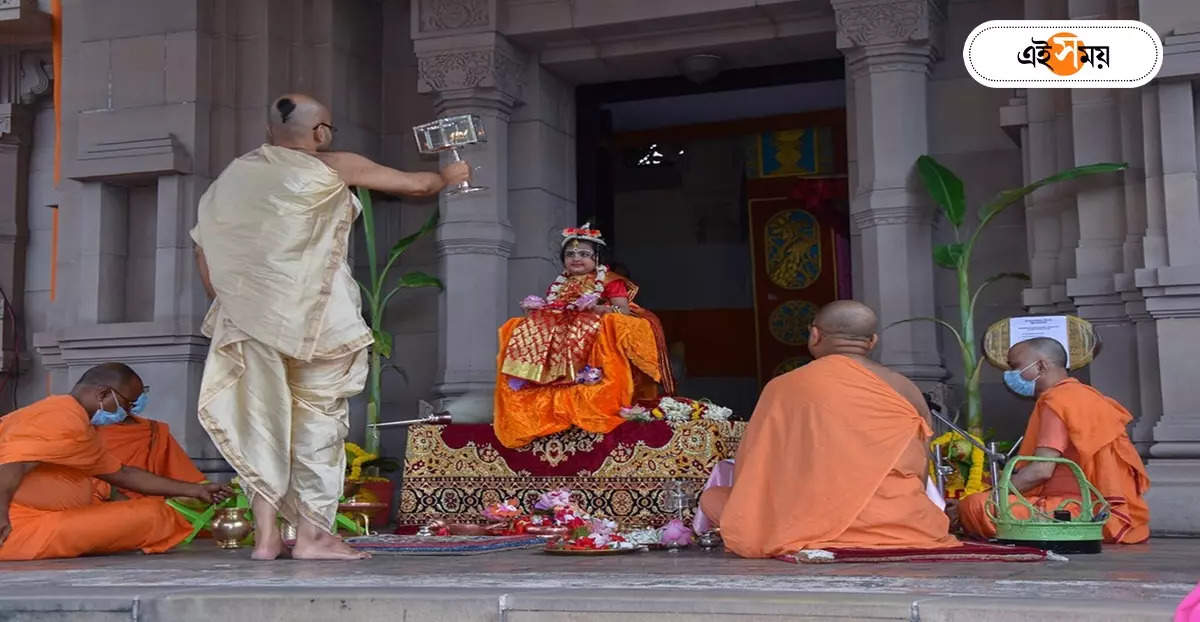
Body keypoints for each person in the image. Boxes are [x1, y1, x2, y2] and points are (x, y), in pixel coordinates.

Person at [191, 93, 470, 561]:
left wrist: (234, 305)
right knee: (317, 423)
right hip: (319, 320)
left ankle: (265, 539)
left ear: (268, 134)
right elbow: (417, 186)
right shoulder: (332, 166)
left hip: (248, 319)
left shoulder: (231, 180)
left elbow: (204, 250)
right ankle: (314, 536)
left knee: (264, 422)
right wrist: (450, 175)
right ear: (320, 132)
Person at [698, 300, 959, 558]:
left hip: (806, 523)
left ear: (814, 334)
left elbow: (756, 469)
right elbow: (921, 470)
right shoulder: (906, 389)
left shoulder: (784, 387)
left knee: (714, 498)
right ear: (872, 341)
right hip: (905, 523)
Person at [0, 363, 232, 560]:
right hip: (17, 523)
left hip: (40, 517)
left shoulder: (80, 424)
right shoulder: (60, 416)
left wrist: (194, 490)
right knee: (154, 517)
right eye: (127, 404)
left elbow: (122, 474)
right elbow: (13, 464)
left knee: (151, 513)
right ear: (102, 394)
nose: (127, 412)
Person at [493, 225, 674, 448]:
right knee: (519, 326)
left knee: (588, 324)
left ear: (597, 257)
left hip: (591, 328)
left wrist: (599, 310)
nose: (576, 258)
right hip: (562, 327)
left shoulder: (610, 280)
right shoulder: (561, 283)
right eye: (570, 254)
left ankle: (586, 381)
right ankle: (534, 378)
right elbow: (554, 306)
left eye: (583, 254)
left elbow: (623, 312)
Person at [955, 337, 1150, 543]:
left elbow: (1041, 470)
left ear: (1041, 365)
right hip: (1100, 507)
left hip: (1080, 510)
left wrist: (994, 495)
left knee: (975, 505)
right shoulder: (1085, 397)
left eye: (1015, 367)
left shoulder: (1058, 401)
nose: (1010, 375)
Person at [94, 394, 207, 499]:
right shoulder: (85, 431)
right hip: (97, 506)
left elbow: (186, 476)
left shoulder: (154, 431)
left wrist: (200, 490)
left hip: (150, 504)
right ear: (103, 395)